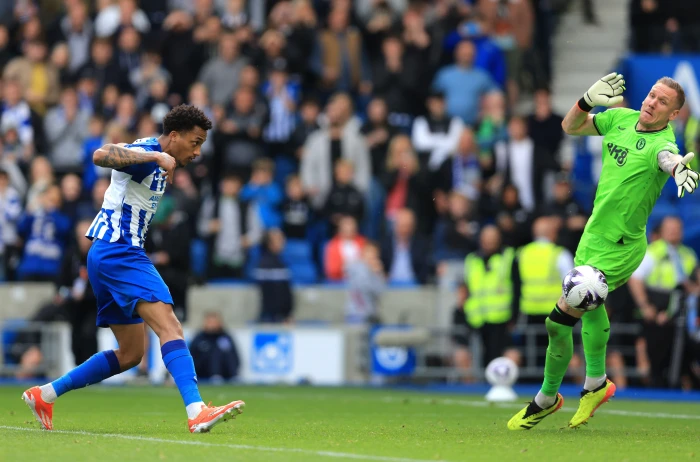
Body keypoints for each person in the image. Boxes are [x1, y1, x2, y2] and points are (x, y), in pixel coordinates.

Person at [22, 105, 245, 433]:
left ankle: (45, 394)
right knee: (170, 325)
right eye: (195, 142)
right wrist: (155, 158)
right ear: (174, 136)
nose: (198, 151)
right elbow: (100, 155)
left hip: (106, 253)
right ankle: (197, 410)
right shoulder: (149, 153)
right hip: (119, 251)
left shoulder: (158, 158)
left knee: (130, 353)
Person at [508, 74, 699, 430]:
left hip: (621, 247)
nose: (652, 102)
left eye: (662, 102)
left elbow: (668, 158)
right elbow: (570, 127)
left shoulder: (662, 143)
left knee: (560, 319)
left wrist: (678, 169)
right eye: (652, 95)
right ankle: (594, 384)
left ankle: (547, 398)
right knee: (580, 315)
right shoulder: (620, 118)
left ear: (673, 115)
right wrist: (586, 101)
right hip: (593, 237)